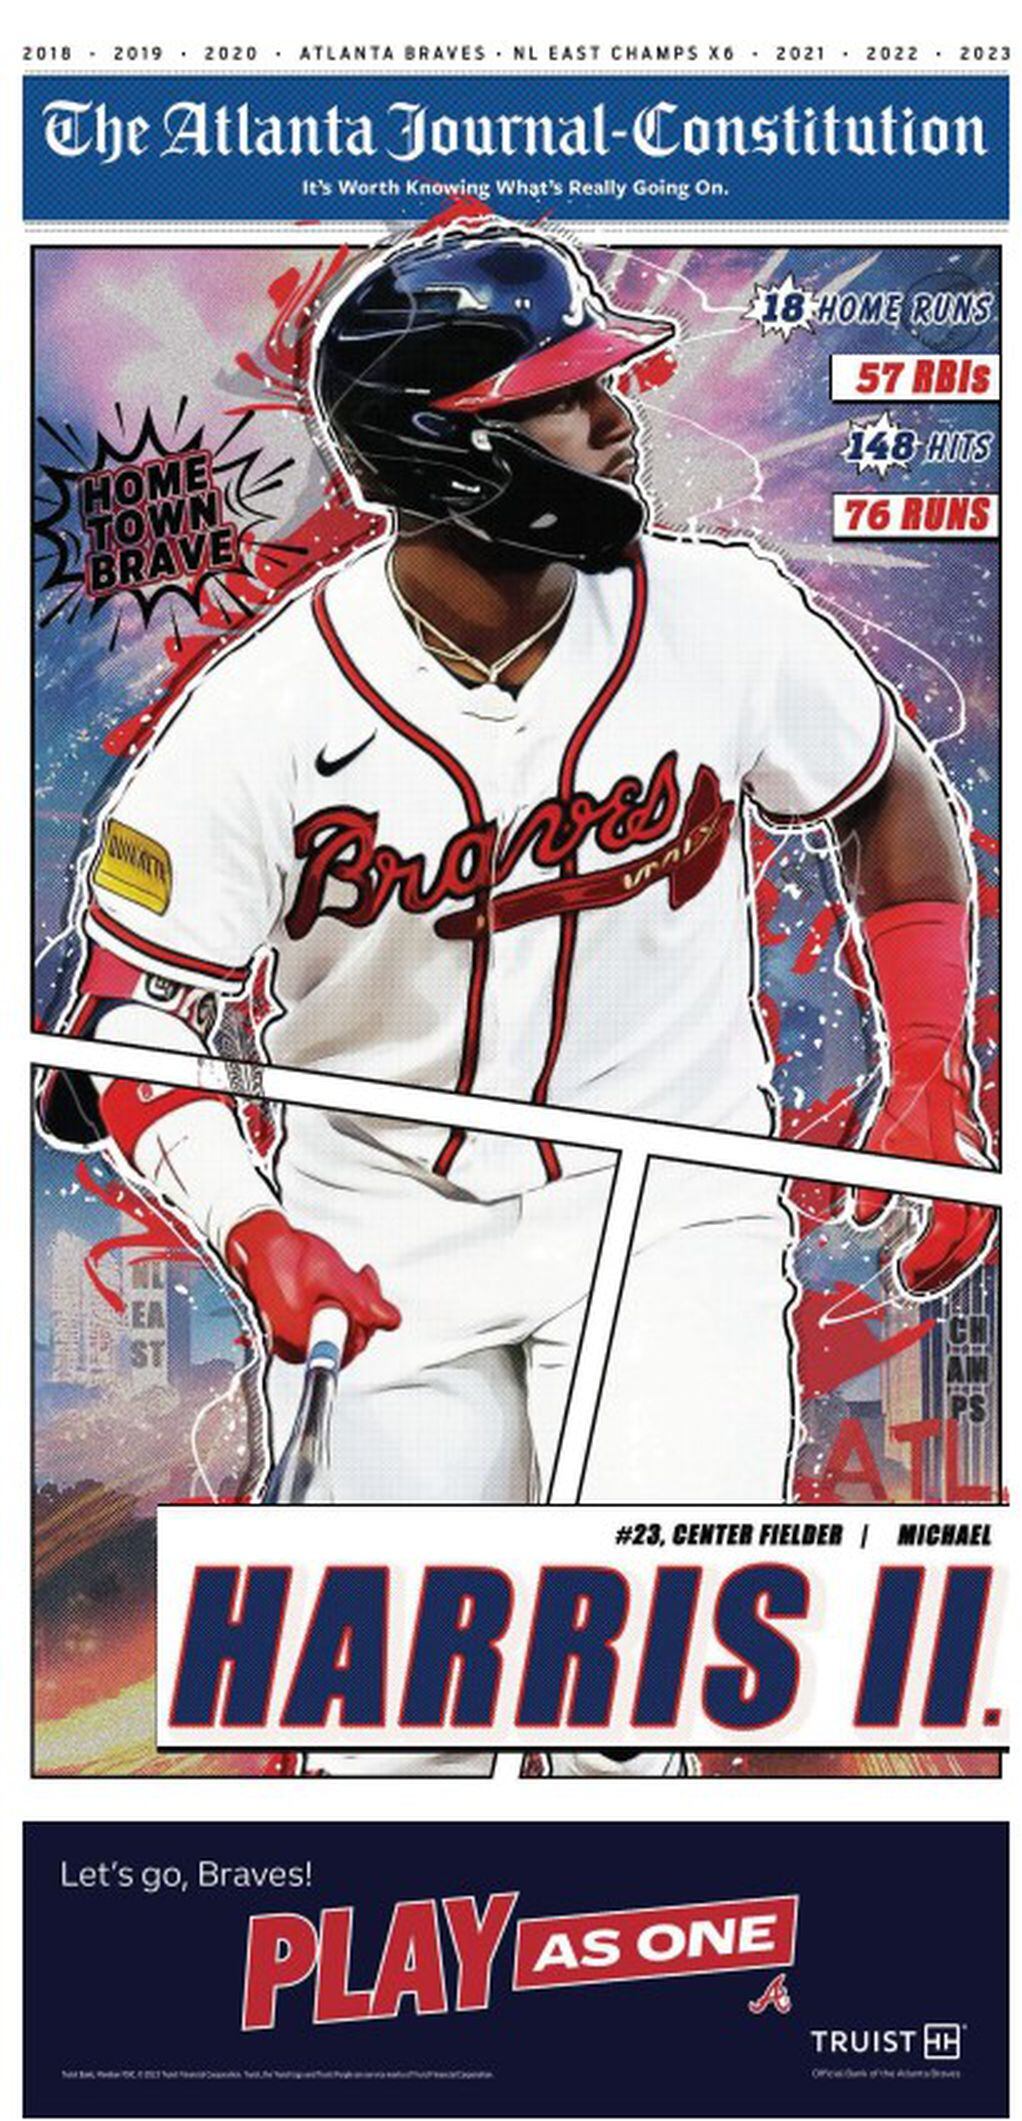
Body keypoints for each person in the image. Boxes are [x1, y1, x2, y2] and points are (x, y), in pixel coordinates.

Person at [41, 223, 993, 1775]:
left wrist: (928, 1067)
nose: (617, 418)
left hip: (674, 1199)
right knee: (398, 1730)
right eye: (567, 394)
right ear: (450, 444)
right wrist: (250, 1221)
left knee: (637, 1706)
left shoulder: (722, 618)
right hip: (380, 1220)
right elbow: (128, 1017)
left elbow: (882, 784)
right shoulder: (260, 715)